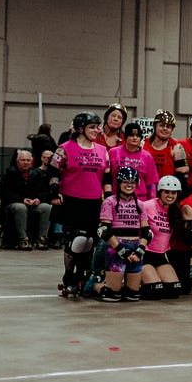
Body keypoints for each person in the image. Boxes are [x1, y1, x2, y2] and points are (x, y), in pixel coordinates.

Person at [51, 112, 111, 298]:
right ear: (80, 129)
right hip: (71, 201)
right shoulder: (64, 148)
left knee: (89, 242)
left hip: (93, 202)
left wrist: (108, 198)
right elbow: (53, 173)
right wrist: (54, 193)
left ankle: (82, 276)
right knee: (75, 241)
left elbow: (107, 177)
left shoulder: (102, 150)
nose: (97, 130)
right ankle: (69, 277)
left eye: (97, 126)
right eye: (92, 127)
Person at [86, 165, 149, 302]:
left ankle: (118, 283)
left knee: (133, 294)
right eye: (126, 182)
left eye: (132, 182)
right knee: (112, 295)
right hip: (116, 248)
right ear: (119, 183)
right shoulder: (110, 202)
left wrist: (140, 250)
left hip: (135, 247)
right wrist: (121, 250)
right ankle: (92, 284)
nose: (129, 185)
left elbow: (146, 232)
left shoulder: (140, 204)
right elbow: (103, 230)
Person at [139, 176, 186, 299]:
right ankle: (130, 284)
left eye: (173, 193)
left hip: (160, 255)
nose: (170, 195)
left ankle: (145, 279)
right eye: (167, 192)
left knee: (174, 290)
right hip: (144, 254)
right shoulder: (147, 206)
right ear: (160, 192)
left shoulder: (176, 211)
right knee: (155, 291)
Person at [1, 149, 55, 249]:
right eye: (23, 160)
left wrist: (38, 199)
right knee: (20, 208)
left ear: (32, 161)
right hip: (15, 203)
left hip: (33, 203)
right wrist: (22, 200)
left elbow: (44, 191)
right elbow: (6, 192)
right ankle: (23, 239)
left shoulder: (36, 174)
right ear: (18, 161)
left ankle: (42, 239)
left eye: (28, 160)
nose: (26, 162)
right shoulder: (9, 173)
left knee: (47, 207)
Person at [107, 123, 160, 200]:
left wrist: (151, 203)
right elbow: (106, 177)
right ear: (125, 137)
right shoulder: (113, 152)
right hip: (116, 198)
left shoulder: (147, 157)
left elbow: (151, 184)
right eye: (131, 135)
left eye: (138, 136)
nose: (135, 138)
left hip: (140, 200)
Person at [143, 111, 189, 185]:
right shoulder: (143, 144)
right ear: (155, 127)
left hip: (166, 190)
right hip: (145, 188)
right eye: (161, 125)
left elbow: (183, 174)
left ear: (172, 130)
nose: (165, 129)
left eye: (168, 127)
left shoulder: (176, 147)